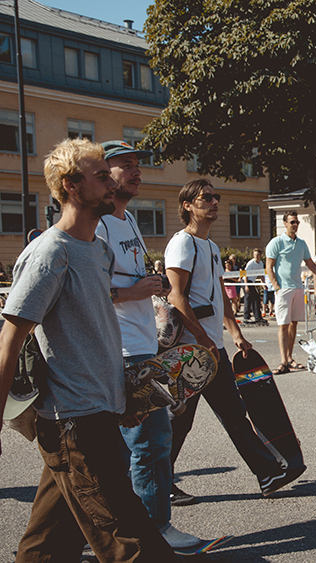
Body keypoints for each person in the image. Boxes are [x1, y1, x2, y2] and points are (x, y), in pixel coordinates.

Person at [0, 138, 178, 561]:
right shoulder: (48, 255)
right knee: (134, 545)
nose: (111, 182)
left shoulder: (97, 249)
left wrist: (121, 395)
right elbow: (10, 338)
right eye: (101, 176)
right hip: (73, 424)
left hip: (98, 411)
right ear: (72, 185)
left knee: (47, 544)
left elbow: (96, 333)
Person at [95, 140, 201, 548]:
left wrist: (145, 289)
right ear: (104, 174)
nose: (136, 172)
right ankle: (155, 530)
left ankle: (118, 531)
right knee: (152, 442)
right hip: (121, 350)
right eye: (126, 166)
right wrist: (134, 292)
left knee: (128, 448)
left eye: (138, 165)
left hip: (142, 345)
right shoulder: (100, 224)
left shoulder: (129, 221)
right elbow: (91, 290)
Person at [164, 179, 295, 504]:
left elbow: (219, 295)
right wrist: (203, 338)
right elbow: (176, 296)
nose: (213, 202)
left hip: (210, 346)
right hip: (189, 349)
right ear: (187, 206)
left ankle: (267, 472)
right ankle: (156, 479)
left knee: (233, 413)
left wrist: (235, 334)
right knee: (182, 419)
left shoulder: (209, 246)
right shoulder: (182, 243)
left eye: (215, 197)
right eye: (205, 198)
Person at [266, 210, 316, 374]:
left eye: (296, 222)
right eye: (292, 222)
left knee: (293, 324)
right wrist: (276, 287)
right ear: (285, 223)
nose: (295, 225)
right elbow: (269, 267)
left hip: (298, 287)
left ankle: (290, 358)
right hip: (283, 289)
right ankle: (283, 361)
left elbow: (311, 265)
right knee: (283, 325)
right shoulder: (276, 242)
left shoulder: (301, 243)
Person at [243, 248, 266, 324]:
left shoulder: (261, 264)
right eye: (255, 255)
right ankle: (246, 317)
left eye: (258, 255)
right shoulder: (251, 263)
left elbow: (261, 275)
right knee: (248, 298)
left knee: (256, 298)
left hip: (252, 282)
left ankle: (258, 317)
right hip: (246, 281)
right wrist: (246, 285)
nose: (256, 256)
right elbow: (245, 274)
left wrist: (264, 284)